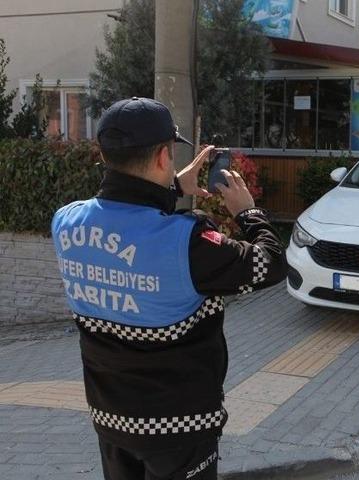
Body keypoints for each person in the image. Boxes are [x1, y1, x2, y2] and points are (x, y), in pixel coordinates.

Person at [51, 97, 287, 479]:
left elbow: (126, 216)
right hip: (179, 427)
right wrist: (248, 211)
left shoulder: (66, 222)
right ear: (164, 156)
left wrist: (174, 187)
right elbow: (271, 264)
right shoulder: (189, 243)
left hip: (109, 417)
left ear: (103, 152)